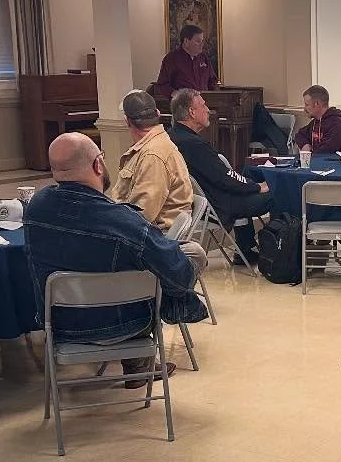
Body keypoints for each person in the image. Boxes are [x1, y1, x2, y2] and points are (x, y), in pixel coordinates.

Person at [26, 132, 207, 383]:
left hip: (60, 325)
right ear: (97, 164)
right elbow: (178, 277)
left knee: (122, 262)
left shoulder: (36, 207)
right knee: (185, 257)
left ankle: (140, 366)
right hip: (125, 325)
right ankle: (140, 365)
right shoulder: (126, 222)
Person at [169, 89, 271, 264]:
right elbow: (225, 178)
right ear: (192, 113)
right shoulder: (195, 144)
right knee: (277, 194)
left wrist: (248, 184)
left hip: (198, 202)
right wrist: (256, 186)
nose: (208, 110)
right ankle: (276, 254)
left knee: (245, 187)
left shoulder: (171, 137)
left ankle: (246, 249)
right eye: (203, 105)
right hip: (218, 205)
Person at [107, 90, 195, 234]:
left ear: (126, 120)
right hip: (138, 230)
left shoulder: (153, 156)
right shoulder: (151, 147)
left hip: (150, 239)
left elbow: (141, 216)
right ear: (158, 114)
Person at [154, 24, 217, 102]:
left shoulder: (203, 57)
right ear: (186, 41)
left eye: (202, 41)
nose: (202, 44)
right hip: (183, 105)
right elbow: (162, 84)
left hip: (203, 104)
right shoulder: (171, 59)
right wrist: (175, 94)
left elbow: (213, 81)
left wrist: (213, 98)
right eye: (198, 41)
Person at [293, 85, 341, 154]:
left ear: (317, 104)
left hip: (333, 163)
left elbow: (325, 152)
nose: (304, 109)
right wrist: (305, 145)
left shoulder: (337, 124)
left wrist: (309, 156)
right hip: (316, 162)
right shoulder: (315, 122)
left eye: (307, 104)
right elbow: (300, 134)